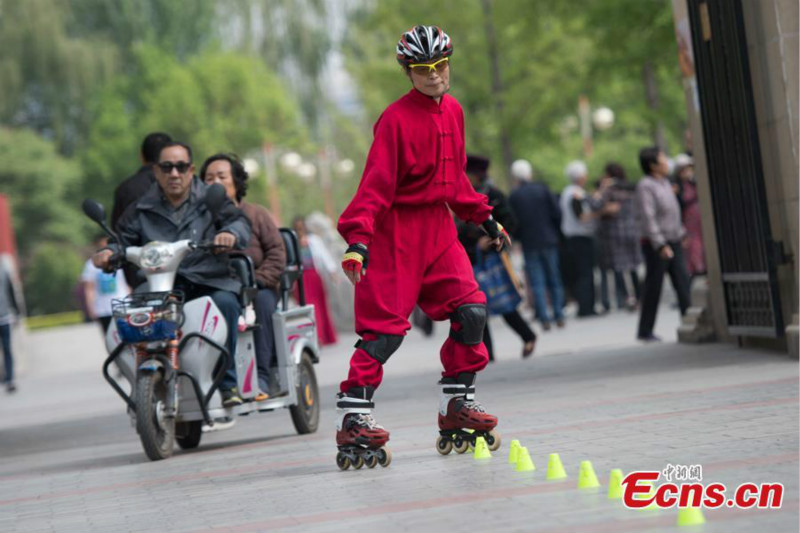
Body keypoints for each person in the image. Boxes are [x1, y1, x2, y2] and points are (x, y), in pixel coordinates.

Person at [334, 25, 510, 465]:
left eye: (440, 66)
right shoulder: (394, 119)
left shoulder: (454, 111)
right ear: (407, 71)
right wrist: (358, 240)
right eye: (423, 69)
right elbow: (374, 186)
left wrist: (482, 215)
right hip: (397, 233)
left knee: (471, 311)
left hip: (439, 230)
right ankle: (354, 419)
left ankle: (456, 405)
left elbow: (455, 178)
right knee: (385, 333)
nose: (434, 75)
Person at [93, 142, 251, 406]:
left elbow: (239, 222)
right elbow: (121, 240)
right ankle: (142, 384)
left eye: (180, 167)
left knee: (225, 303)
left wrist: (230, 234)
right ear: (156, 171)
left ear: (191, 170)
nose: (174, 173)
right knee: (129, 314)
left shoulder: (211, 198)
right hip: (158, 285)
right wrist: (109, 253)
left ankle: (227, 383)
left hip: (207, 279)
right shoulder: (140, 208)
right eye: (167, 167)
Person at [201, 153, 286, 401]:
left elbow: (277, 253)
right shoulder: (201, 219)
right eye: (208, 178)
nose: (214, 182)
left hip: (258, 286)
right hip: (218, 286)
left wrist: (256, 280)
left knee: (263, 303)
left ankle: (261, 375)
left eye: (221, 176)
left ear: (236, 182)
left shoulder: (256, 214)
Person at [457, 154, 536, 360]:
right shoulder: (461, 196)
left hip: (493, 259)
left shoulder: (494, 195)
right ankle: (487, 353)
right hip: (471, 258)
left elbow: (510, 222)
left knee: (503, 303)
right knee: (476, 307)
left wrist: (491, 239)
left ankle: (527, 335)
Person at [634, 147, 692, 342]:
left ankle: (689, 322)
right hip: (656, 244)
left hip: (673, 239)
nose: (667, 163)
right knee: (654, 287)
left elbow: (672, 211)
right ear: (653, 166)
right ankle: (645, 330)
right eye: (663, 160)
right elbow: (648, 217)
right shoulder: (646, 186)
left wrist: (681, 232)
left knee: (683, 282)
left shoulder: (665, 182)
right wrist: (659, 244)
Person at [508, 159, 565, 330]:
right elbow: (556, 213)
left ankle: (544, 317)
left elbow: (513, 221)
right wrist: (556, 232)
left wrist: (518, 237)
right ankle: (558, 314)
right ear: (529, 173)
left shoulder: (515, 196)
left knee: (537, 281)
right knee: (554, 278)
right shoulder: (542, 189)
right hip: (548, 239)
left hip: (529, 242)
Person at [111, 132, 173, 287]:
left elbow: (116, 234)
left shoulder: (126, 189)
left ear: (141, 156)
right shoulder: (182, 187)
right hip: (175, 269)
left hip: (139, 275)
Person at [595, 163, 641, 312]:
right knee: (633, 266)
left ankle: (628, 298)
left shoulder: (610, 189)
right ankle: (639, 296)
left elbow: (595, 204)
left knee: (620, 266)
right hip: (632, 230)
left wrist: (601, 189)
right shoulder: (630, 188)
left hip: (615, 232)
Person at [560, 160, 599, 317]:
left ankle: (587, 305)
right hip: (580, 237)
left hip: (574, 238)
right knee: (585, 272)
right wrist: (602, 212)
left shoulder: (568, 192)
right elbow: (581, 216)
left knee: (583, 272)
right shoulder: (575, 193)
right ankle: (586, 307)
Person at [81, 234, 130, 333]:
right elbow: (89, 288)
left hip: (123, 304)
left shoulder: (122, 260)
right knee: (110, 336)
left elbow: (129, 282)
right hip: (103, 309)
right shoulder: (91, 265)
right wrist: (90, 307)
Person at [673, 154, 706, 279]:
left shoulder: (695, 182)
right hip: (688, 221)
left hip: (700, 219)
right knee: (693, 248)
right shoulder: (678, 187)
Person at [0, 260, 19, 393]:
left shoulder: (4, 270)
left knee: (7, 348)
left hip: (5, 316)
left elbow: (11, 292)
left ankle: (10, 379)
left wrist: (17, 312)